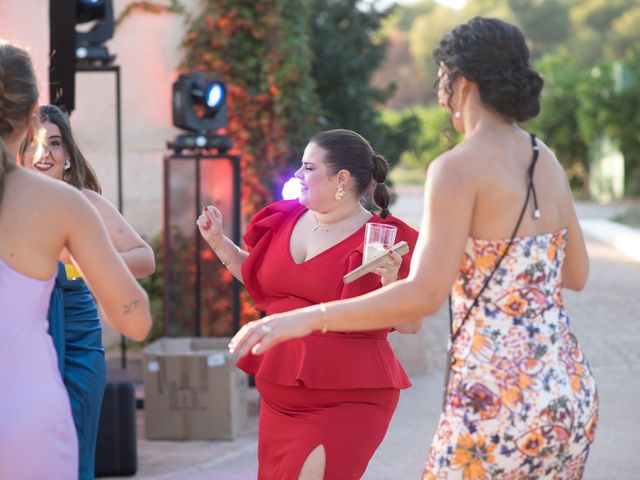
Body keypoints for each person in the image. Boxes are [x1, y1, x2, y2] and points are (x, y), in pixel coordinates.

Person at [230, 17, 598, 479]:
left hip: (495, 390)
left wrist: (308, 317)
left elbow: (423, 295)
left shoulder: (456, 167)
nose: (442, 98)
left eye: (441, 82)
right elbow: (576, 275)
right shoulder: (546, 160)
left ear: (460, 83)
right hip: (566, 386)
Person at [197, 128, 420, 479]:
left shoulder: (385, 239)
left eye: (308, 167)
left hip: (345, 397)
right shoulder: (285, 218)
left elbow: (410, 324)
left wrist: (392, 280)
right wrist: (219, 243)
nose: (297, 175)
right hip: (279, 400)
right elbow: (261, 278)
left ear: (341, 178)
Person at [0, 40, 152, 479]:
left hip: (73, 334)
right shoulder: (61, 208)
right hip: (33, 416)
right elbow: (136, 321)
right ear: (28, 117)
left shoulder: (76, 201)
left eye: (56, 144)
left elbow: (145, 256)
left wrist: (77, 263)